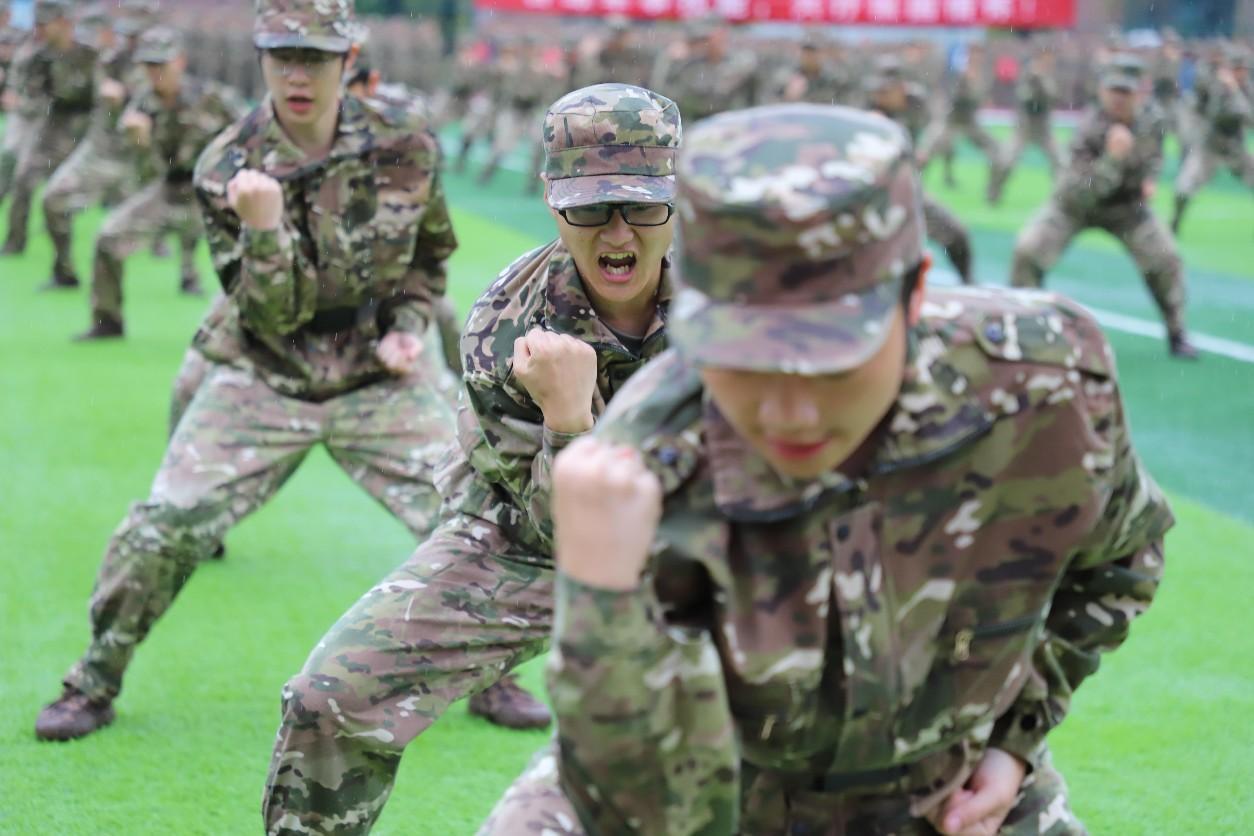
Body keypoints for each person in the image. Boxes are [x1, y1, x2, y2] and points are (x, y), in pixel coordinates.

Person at [483, 102, 1173, 836]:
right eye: (743, 356)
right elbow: (639, 796)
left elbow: (1121, 559)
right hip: (732, 786)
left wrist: (1014, 744)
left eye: (831, 359)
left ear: (914, 295)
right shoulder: (652, 464)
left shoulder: (1041, 387)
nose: (789, 412)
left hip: (951, 777)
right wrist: (603, 603)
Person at [262, 82, 681, 836]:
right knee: (330, 700)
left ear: (678, 202)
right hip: (528, 539)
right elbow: (566, 541)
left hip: (698, 548)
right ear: (551, 199)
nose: (618, 233)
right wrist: (567, 420)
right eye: (590, 208)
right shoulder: (504, 324)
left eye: (642, 206)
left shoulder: (737, 309)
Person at [34, 0, 458, 742]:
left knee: (474, 518)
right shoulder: (228, 164)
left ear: (347, 59)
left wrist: (407, 327)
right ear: (261, 58)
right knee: (166, 523)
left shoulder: (405, 140)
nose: (298, 75)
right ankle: (94, 678)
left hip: (376, 376)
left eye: (315, 58)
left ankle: (488, 678)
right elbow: (269, 315)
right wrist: (263, 230)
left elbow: (428, 259)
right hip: (266, 373)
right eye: (283, 57)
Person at [1012, 56, 1197, 359]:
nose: (1119, 99)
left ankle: (1177, 331)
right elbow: (1081, 193)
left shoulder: (1152, 122)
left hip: (1127, 207)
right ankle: (1025, 325)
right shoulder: (1088, 128)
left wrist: (1149, 178)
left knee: (1166, 259)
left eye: (1126, 92)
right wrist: (1113, 158)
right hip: (1075, 206)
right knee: (1028, 250)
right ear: (1101, 91)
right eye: (1114, 91)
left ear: (1139, 94)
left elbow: (1154, 156)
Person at [74, 26, 246, 339]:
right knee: (109, 238)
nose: (155, 74)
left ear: (179, 62)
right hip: (171, 190)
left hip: (216, 192)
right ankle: (107, 321)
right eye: (149, 66)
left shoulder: (212, 97)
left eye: (161, 65)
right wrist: (141, 143)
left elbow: (251, 136)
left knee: (252, 255)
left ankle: (254, 332)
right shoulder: (142, 106)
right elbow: (143, 175)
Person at [2, 0, 94, 264]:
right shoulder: (38, 57)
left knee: (65, 193)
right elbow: (30, 97)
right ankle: (15, 241)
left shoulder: (89, 55)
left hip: (87, 131)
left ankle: (64, 259)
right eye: (38, 24)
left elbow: (101, 97)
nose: (39, 29)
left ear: (63, 23)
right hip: (51, 129)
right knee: (24, 180)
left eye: (45, 24)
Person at [1170, 46, 1252, 235]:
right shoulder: (1213, 85)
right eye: (1236, 69)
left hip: (1234, 147)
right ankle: (1175, 221)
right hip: (1209, 146)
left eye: (1242, 69)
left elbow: (1248, 116)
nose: (1240, 73)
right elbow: (1210, 112)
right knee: (1183, 188)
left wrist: (1234, 91)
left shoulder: (1246, 89)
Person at [988, 46, 1062, 205]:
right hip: (1024, 129)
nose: (1048, 62)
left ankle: (1061, 197)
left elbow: (1051, 96)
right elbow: (1024, 97)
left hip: (1043, 130)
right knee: (1005, 160)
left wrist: (1040, 82)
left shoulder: (1049, 77)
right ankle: (994, 192)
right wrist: (1035, 80)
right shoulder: (1028, 75)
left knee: (1060, 162)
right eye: (1046, 58)